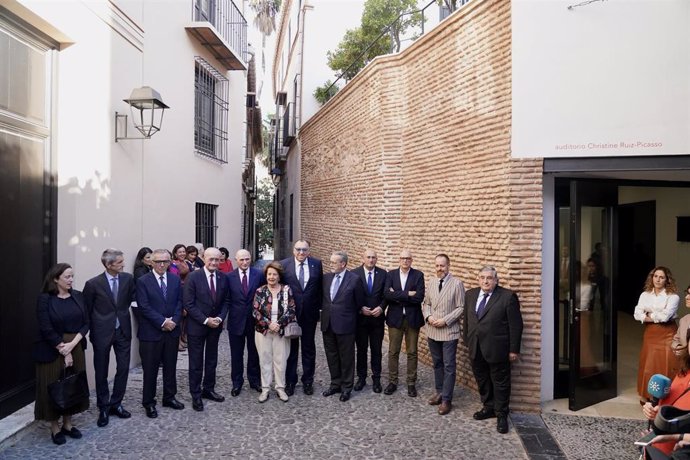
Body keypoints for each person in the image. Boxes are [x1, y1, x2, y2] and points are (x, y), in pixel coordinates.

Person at [462, 265, 523, 434]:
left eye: (489, 278)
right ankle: (488, 407)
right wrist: (467, 340)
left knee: (500, 382)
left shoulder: (507, 297)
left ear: (496, 280)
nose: (486, 281)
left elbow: (516, 325)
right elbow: (467, 320)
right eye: (482, 277)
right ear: (478, 279)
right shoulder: (470, 294)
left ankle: (501, 414)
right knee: (482, 379)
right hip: (476, 346)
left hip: (498, 348)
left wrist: (513, 350)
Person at [34, 263, 89, 445]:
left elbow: (86, 322)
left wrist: (72, 346)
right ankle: (54, 427)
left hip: (75, 346)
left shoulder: (78, 296)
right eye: (67, 277)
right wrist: (62, 349)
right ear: (55, 279)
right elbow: (45, 327)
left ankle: (67, 423)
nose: (71, 280)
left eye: (72, 276)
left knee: (72, 385)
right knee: (52, 386)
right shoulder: (45, 299)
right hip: (52, 349)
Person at [83, 248, 136, 428]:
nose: (123, 264)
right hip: (101, 333)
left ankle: (116, 403)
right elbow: (87, 311)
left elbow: (128, 301)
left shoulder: (128, 279)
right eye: (119, 262)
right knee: (101, 372)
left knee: (123, 368)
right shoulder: (93, 284)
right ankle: (103, 406)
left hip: (123, 331)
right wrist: (92, 331)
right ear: (108, 264)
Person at [135, 249, 185, 418]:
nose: (162, 264)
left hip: (171, 332)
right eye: (158, 262)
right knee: (150, 370)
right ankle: (149, 402)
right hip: (151, 333)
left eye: (165, 261)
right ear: (151, 263)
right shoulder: (143, 281)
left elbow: (180, 302)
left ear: (170, 262)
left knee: (170, 366)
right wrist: (163, 322)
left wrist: (174, 321)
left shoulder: (175, 279)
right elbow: (144, 306)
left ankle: (169, 397)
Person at [183, 247, 230, 411]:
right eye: (211, 259)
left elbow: (226, 302)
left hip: (215, 327)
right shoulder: (193, 277)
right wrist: (205, 320)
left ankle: (208, 389)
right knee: (196, 362)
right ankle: (196, 395)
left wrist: (219, 318)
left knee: (211, 360)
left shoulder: (223, 278)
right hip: (197, 327)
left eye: (217, 260)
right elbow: (188, 303)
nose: (214, 262)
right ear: (203, 258)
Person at [422, 254, 465, 415]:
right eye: (437, 266)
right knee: (437, 363)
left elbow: (461, 307)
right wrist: (429, 317)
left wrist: (445, 320)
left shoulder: (457, 284)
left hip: (448, 331)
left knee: (449, 365)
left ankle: (447, 399)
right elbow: (426, 303)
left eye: (442, 266)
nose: (440, 269)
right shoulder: (432, 282)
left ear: (449, 266)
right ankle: (439, 392)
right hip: (433, 330)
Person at [280, 240, 323, 396]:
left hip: (309, 315)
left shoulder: (317, 264)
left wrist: (319, 309)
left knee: (308, 348)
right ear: (293, 250)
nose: (301, 252)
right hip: (291, 315)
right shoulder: (284, 265)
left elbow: (319, 288)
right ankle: (290, 382)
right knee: (291, 350)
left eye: (304, 249)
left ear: (309, 251)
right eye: (298, 249)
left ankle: (308, 381)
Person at [321, 251, 365, 402]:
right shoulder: (326, 278)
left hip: (345, 325)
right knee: (331, 355)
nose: (331, 264)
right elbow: (324, 299)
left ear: (343, 264)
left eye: (334, 262)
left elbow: (359, 302)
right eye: (331, 261)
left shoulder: (354, 280)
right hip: (328, 324)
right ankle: (335, 384)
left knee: (346, 357)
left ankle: (347, 387)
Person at [634, 266, 680, 403]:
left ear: (667, 280)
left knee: (666, 363)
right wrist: (655, 315)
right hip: (651, 333)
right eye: (655, 276)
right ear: (652, 277)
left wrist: (648, 314)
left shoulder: (673, 297)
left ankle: (666, 396)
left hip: (667, 333)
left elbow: (665, 317)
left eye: (662, 277)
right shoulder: (645, 295)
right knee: (648, 363)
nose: (658, 279)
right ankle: (647, 395)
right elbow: (637, 314)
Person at [253, 261, 296, 402]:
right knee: (264, 360)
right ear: (266, 276)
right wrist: (268, 324)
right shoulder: (260, 291)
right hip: (263, 331)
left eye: (274, 274)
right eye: (269, 274)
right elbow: (255, 311)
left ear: (279, 276)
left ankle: (280, 388)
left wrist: (278, 324)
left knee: (280, 360)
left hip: (281, 331)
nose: (271, 277)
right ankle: (265, 389)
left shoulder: (286, 290)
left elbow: (291, 310)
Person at [643, 328, 690, 459]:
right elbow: (669, 405)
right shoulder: (684, 373)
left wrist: (676, 437)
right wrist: (654, 411)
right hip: (658, 448)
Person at [383, 249, 425, 397]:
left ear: (411, 260)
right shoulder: (391, 275)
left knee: (412, 352)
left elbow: (419, 297)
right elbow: (387, 294)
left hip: (412, 319)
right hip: (395, 319)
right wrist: (408, 293)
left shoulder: (418, 275)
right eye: (402, 258)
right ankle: (393, 381)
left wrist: (397, 294)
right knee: (393, 351)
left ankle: (411, 383)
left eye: (408, 258)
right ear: (399, 260)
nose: (405, 261)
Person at [227, 249, 266, 396]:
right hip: (236, 321)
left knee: (254, 353)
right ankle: (237, 383)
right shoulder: (229, 277)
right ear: (236, 260)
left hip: (254, 321)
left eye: (247, 259)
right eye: (241, 260)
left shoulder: (259, 274)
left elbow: (263, 295)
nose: (244, 262)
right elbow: (227, 299)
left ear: (251, 259)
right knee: (236, 355)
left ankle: (254, 380)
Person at [352, 249, 387, 393]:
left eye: (373, 257)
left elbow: (387, 294)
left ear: (376, 259)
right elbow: (350, 296)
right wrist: (360, 309)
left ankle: (377, 379)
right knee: (361, 350)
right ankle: (361, 378)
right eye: (368, 257)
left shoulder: (383, 274)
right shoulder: (354, 274)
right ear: (363, 258)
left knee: (377, 350)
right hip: (360, 320)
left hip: (377, 320)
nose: (371, 260)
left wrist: (381, 307)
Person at [671, 284, 690, 355]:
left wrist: (685, 351)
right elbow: (676, 340)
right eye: (687, 293)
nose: (686, 297)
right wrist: (678, 347)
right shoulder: (684, 320)